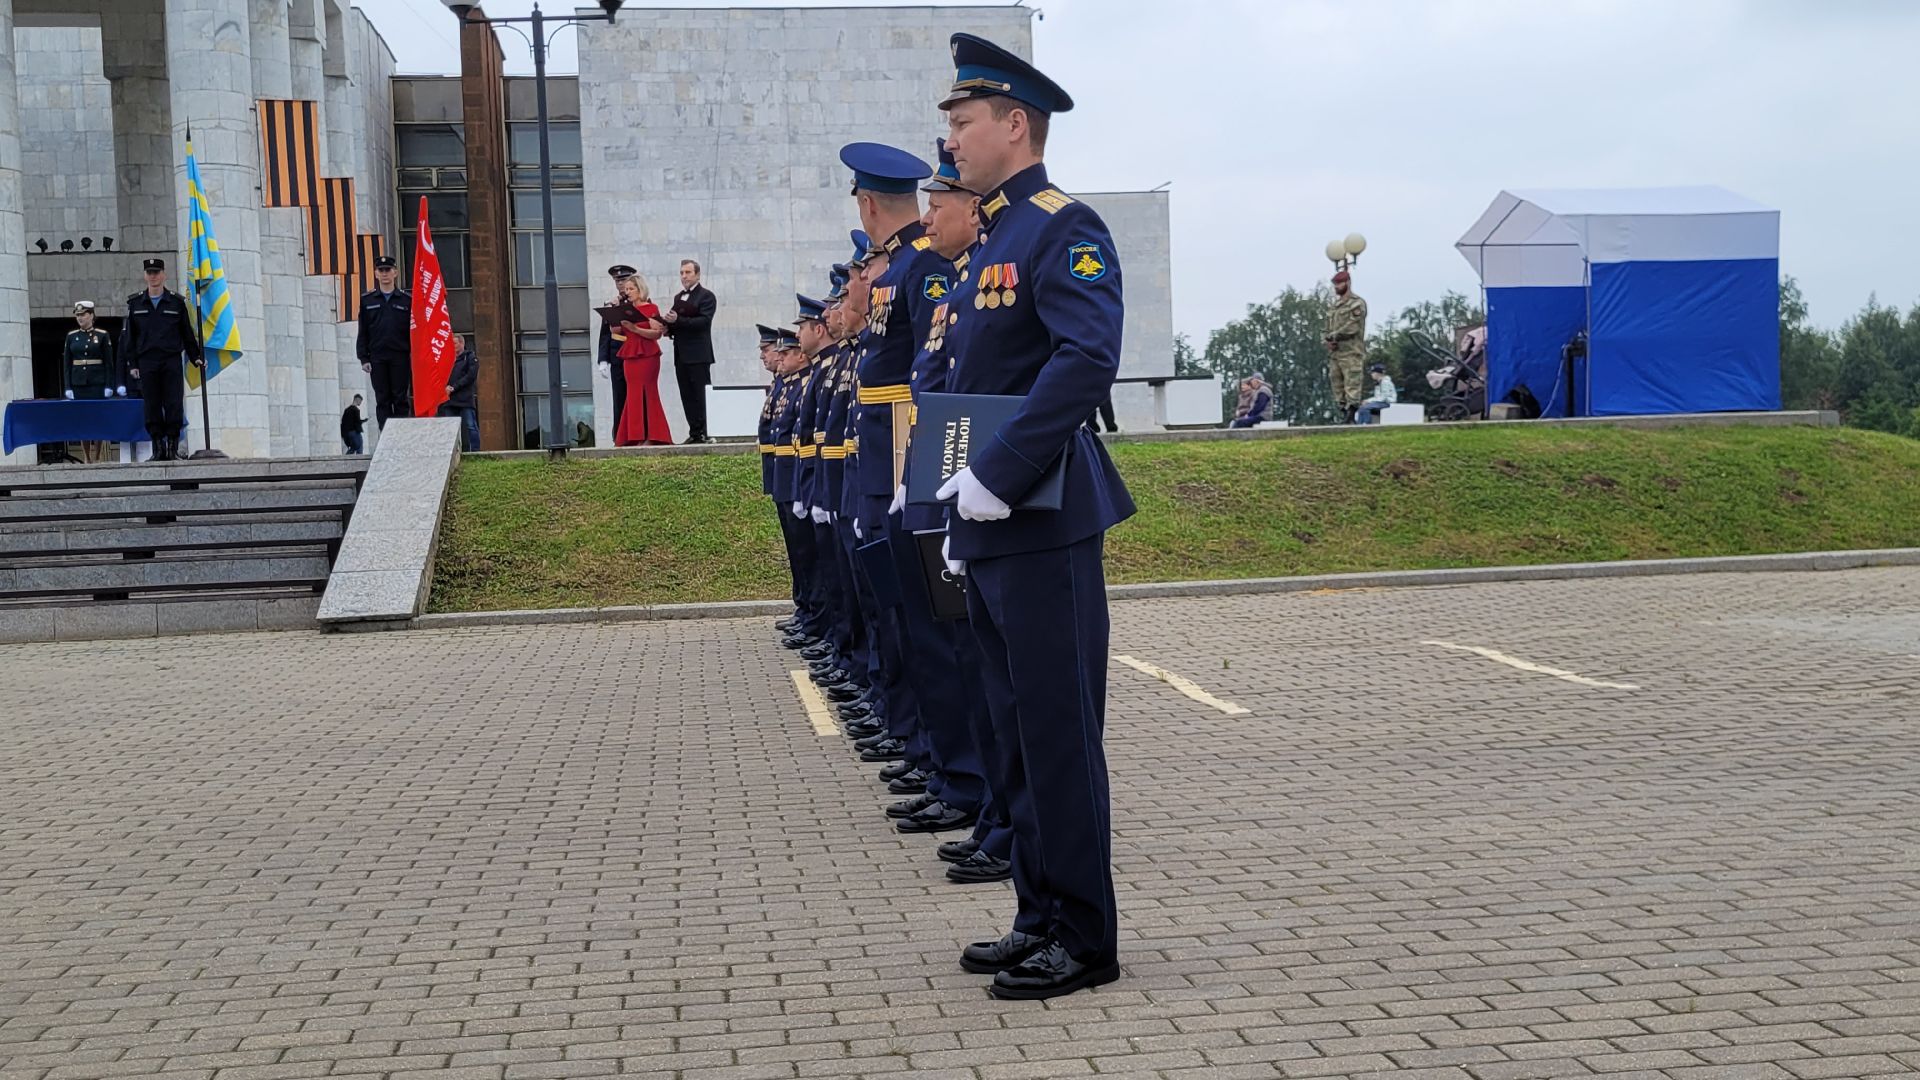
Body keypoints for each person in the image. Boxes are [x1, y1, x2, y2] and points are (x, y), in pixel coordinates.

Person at [934, 33, 1134, 1000]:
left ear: (1016, 124)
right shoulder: (989, 240)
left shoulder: (1061, 226)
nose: (952, 142)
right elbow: (974, 382)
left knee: (1056, 733)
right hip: (993, 519)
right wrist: (953, 489)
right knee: (1013, 731)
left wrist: (999, 474)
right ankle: (1036, 913)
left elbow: (1083, 361)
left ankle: (1085, 936)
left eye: (964, 123)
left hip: (1044, 517)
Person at [121, 258, 203, 461]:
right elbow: (130, 338)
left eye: (156, 272)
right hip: (147, 361)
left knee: (174, 403)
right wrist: (132, 363)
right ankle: (158, 448)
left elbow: (186, 333)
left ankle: (172, 447)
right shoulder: (136, 303)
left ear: (164, 274)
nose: (153, 276)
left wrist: (196, 357)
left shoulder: (176, 302)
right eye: (149, 272)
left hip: (170, 360)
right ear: (145, 275)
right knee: (152, 405)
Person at [661, 259, 717, 444]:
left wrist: (678, 320)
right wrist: (668, 327)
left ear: (697, 275)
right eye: (682, 273)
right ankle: (694, 431)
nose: (684, 276)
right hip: (681, 353)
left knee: (701, 394)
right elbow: (679, 324)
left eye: (688, 272)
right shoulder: (678, 297)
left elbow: (703, 323)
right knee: (686, 394)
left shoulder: (706, 296)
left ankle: (707, 431)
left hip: (699, 353)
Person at [613, 274, 672, 446]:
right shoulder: (624, 309)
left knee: (648, 391)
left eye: (631, 289)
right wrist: (614, 318)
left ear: (640, 290)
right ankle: (634, 436)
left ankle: (652, 435)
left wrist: (636, 329)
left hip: (647, 355)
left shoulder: (650, 307)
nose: (628, 292)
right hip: (630, 355)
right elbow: (617, 334)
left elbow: (657, 333)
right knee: (632, 393)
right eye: (626, 290)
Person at [356, 254, 412, 428]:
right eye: (381, 270)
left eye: (388, 270)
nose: (385, 273)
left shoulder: (406, 300)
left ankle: (401, 434)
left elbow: (413, 331)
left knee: (400, 398)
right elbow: (363, 330)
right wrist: (363, 358)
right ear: (376, 274)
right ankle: (386, 436)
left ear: (395, 273)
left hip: (400, 355)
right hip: (377, 357)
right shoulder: (367, 300)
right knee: (382, 398)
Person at [1323, 269, 1368, 421]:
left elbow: (1352, 327)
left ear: (1347, 283)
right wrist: (1327, 340)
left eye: (1339, 284)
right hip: (1336, 352)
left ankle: (1351, 413)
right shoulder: (1335, 307)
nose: (1336, 287)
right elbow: (1327, 327)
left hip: (1351, 352)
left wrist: (1334, 335)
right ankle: (1342, 410)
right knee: (1336, 382)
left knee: (1352, 382)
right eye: (1335, 285)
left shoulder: (1356, 303)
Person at [597, 264, 635, 434]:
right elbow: (605, 333)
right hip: (617, 354)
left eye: (624, 280)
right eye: (617, 281)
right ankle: (619, 434)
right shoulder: (611, 303)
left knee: (634, 395)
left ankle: (636, 432)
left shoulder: (639, 301)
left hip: (634, 352)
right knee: (619, 396)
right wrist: (603, 359)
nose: (620, 284)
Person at [63, 301, 117, 401]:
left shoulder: (102, 335)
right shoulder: (71, 336)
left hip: (97, 383)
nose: (79, 318)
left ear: (91, 315)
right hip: (77, 383)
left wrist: (109, 385)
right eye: (77, 315)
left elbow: (109, 363)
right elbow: (67, 364)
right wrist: (67, 387)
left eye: (83, 314)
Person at [443, 334, 480, 451]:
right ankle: (452, 451)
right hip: (449, 399)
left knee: (470, 426)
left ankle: (475, 451)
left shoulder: (470, 357)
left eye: (454, 343)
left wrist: (454, 387)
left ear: (461, 344)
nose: (452, 346)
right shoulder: (446, 359)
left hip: (465, 398)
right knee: (449, 427)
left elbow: (470, 376)